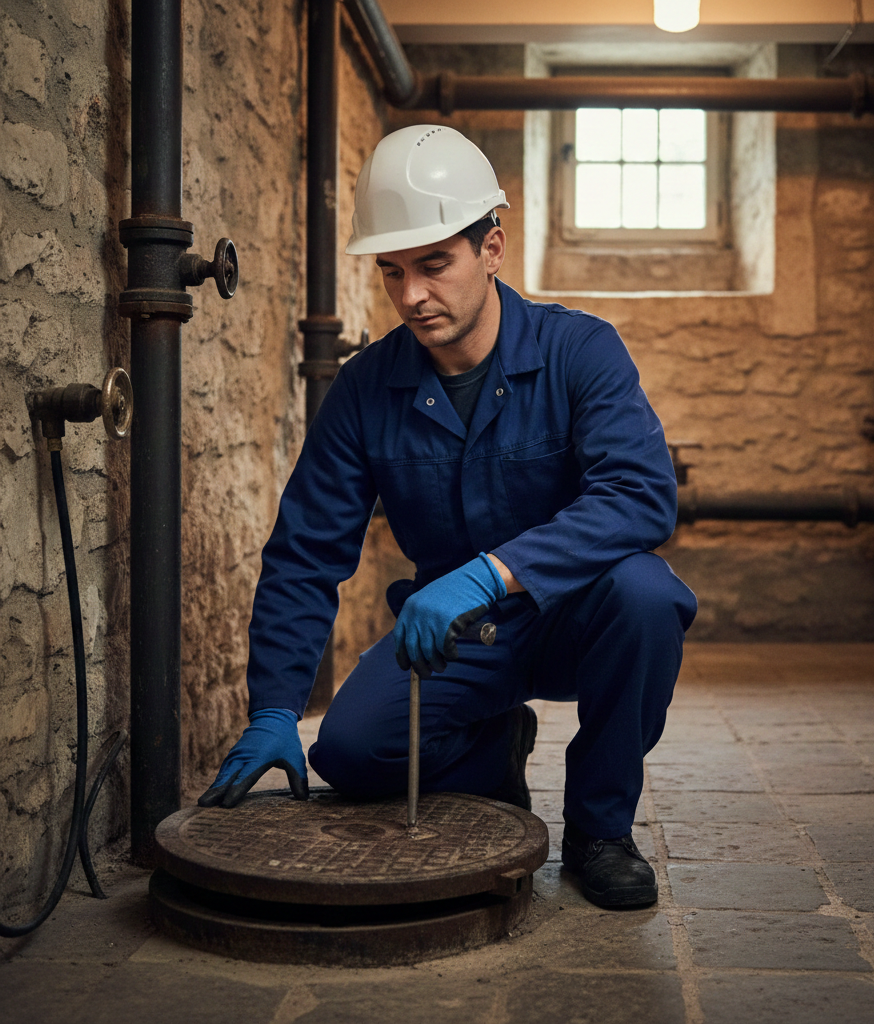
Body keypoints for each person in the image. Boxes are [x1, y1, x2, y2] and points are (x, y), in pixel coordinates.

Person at [200, 124, 697, 909]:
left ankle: (601, 830)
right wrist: (273, 706)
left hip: (577, 614)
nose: (411, 296)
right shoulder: (366, 389)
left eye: (435, 265)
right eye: (391, 271)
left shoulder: (580, 351)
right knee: (353, 753)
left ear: (491, 248)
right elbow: (304, 552)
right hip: (458, 636)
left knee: (648, 596)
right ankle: (492, 749)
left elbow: (640, 494)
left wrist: (494, 572)